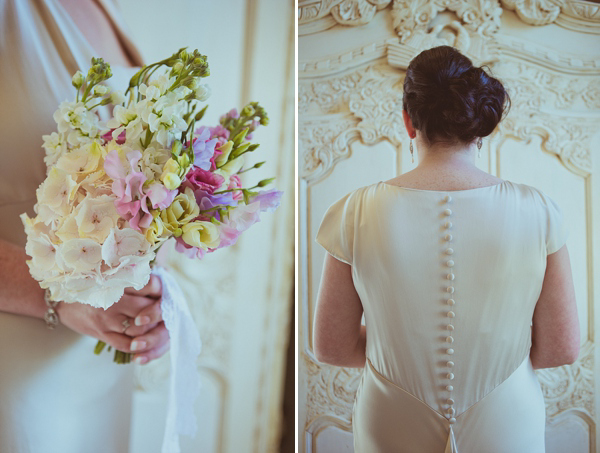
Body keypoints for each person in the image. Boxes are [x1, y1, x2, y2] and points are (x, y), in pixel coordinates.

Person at [312, 45, 579, 452]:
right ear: (478, 124)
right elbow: (560, 347)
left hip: (391, 414)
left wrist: (399, 343)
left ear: (407, 121)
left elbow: (332, 346)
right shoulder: (539, 210)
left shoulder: (353, 210)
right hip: (509, 413)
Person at [0, 0, 170, 451]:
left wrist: (151, 292)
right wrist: (60, 295)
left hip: (99, 369)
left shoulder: (108, 8)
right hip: (14, 365)